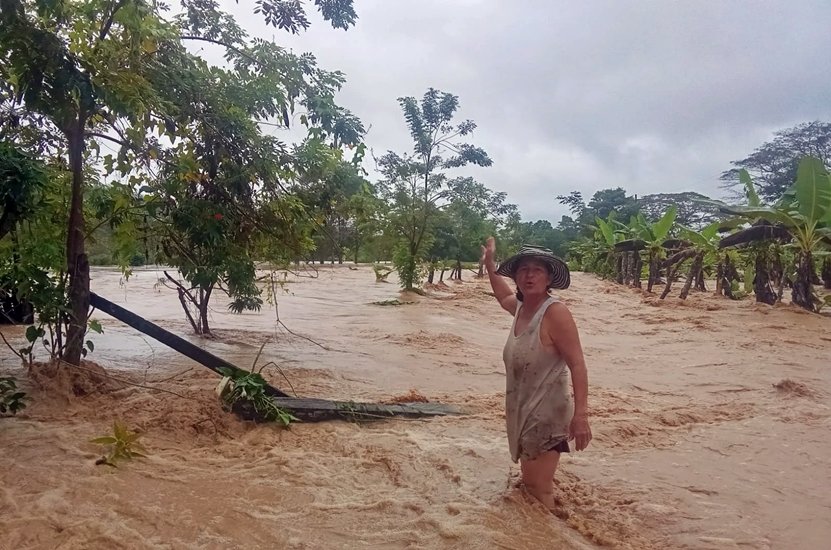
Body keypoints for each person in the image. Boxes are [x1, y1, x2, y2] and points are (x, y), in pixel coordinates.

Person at [480, 237, 591, 511]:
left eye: (537, 270)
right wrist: (490, 263)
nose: (529, 275)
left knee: (538, 492)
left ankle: (551, 536)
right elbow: (502, 295)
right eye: (523, 269)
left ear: (549, 277)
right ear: (516, 276)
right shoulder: (520, 308)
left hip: (547, 414)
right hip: (523, 410)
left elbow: (578, 364)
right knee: (530, 488)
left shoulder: (555, 313)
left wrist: (581, 416)